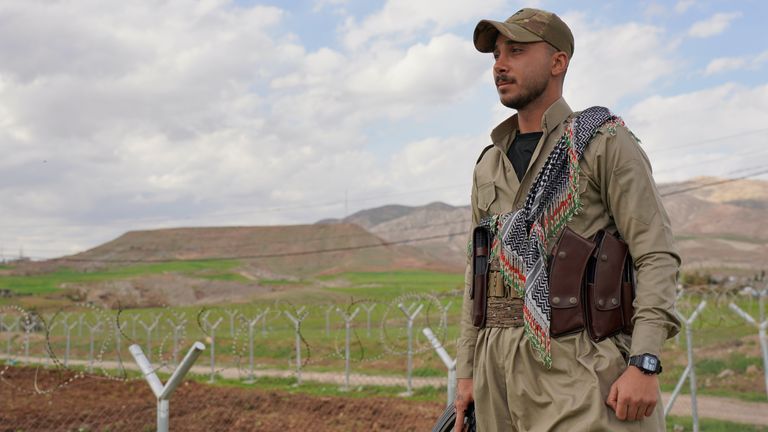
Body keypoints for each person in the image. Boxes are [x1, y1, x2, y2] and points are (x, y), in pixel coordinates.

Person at [454, 8, 680, 431]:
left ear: (558, 62)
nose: (500, 65)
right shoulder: (488, 165)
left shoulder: (602, 143)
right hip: (495, 370)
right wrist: (466, 371)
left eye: (516, 51)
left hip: (579, 363)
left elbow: (656, 254)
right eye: (496, 55)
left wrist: (645, 362)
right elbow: (477, 272)